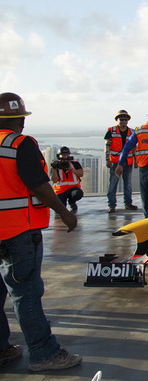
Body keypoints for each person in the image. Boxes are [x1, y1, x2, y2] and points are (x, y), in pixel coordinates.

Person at [0, 92, 82, 372]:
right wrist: (64, 212)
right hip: (18, 231)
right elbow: (39, 185)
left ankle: (2, 349)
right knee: (25, 293)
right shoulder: (20, 145)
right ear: (20, 120)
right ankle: (44, 353)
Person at [104, 109, 137, 213]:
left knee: (128, 184)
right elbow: (107, 146)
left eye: (125, 119)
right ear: (117, 120)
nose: (123, 121)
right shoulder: (111, 130)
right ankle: (112, 205)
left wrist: (136, 160)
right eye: (121, 119)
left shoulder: (132, 132)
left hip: (128, 162)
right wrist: (107, 159)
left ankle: (128, 204)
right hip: (115, 162)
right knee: (113, 183)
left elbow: (135, 147)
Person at [49, 146, 83, 213]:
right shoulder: (56, 165)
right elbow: (54, 180)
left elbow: (81, 174)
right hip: (60, 190)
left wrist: (72, 169)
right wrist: (54, 168)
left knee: (78, 194)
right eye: (63, 155)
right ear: (59, 156)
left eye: (67, 155)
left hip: (73, 188)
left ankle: (72, 202)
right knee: (60, 209)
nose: (65, 157)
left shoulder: (74, 164)